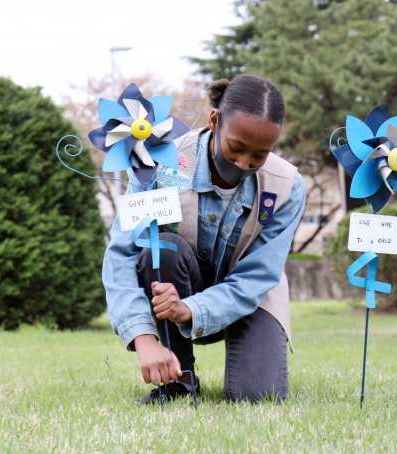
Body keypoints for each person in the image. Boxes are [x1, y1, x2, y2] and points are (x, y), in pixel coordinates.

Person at [102, 74, 306, 404]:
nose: (243, 164)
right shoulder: (155, 162)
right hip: (178, 283)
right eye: (236, 148)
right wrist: (143, 337)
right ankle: (179, 379)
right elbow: (122, 254)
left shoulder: (288, 187)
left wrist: (191, 309)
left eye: (260, 156)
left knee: (257, 395)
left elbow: (257, 278)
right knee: (162, 250)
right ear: (214, 121)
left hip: (249, 298)